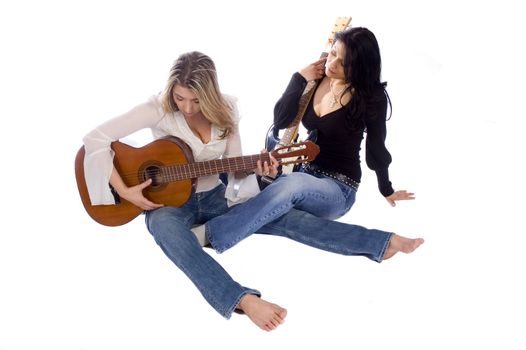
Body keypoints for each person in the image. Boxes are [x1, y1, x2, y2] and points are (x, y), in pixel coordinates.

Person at [82, 51, 287, 331]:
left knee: (283, 213)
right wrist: (124, 191)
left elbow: (236, 170)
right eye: (180, 98)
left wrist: (261, 173)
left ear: (211, 94)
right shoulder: (157, 108)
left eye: (197, 100)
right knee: (166, 231)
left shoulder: (227, 109)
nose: (188, 108)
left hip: (215, 194)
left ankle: (368, 243)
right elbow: (95, 139)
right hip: (167, 204)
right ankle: (243, 300)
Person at [202, 26, 424, 255]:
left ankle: (210, 235)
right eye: (333, 52)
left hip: (337, 188)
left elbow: (376, 149)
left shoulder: (371, 98)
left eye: (343, 63)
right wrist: (298, 78)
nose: (332, 64)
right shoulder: (317, 78)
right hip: (296, 173)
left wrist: (386, 188)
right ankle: (382, 244)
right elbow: (281, 121)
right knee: (233, 181)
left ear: (359, 68)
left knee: (289, 186)